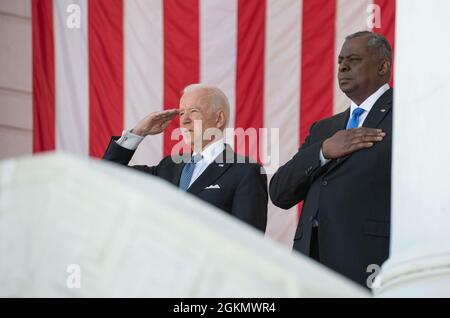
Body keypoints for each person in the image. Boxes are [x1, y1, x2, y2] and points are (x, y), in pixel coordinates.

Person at [269, 31, 393, 287]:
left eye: (354, 59)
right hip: (310, 267)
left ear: (383, 67)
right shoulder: (323, 130)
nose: (343, 66)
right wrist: (323, 151)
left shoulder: (406, 115)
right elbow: (280, 192)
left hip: (370, 266)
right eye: (340, 61)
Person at [103, 84, 267, 232]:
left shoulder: (245, 171)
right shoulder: (169, 166)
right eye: (181, 113)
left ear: (219, 119)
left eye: (194, 112)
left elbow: (249, 244)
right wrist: (138, 132)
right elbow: (110, 174)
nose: (184, 120)